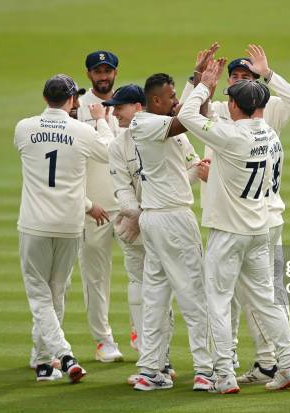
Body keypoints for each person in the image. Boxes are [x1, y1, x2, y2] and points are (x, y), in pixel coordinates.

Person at [178, 60, 290, 393]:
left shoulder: (232, 135)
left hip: (229, 232)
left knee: (218, 302)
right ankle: (289, 364)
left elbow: (187, 117)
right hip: (259, 229)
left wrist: (205, 84)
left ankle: (223, 374)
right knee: (266, 300)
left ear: (235, 105)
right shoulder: (272, 137)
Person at [15, 74, 112, 382]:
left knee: (41, 295)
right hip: (70, 224)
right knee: (56, 293)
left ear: (45, 98)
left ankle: (64, 355)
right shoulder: (82, 131)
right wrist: (101, 122)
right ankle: (43, 361)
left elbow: (46, 175)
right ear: (73, 101)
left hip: (35, 224)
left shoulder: (24, 128)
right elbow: (110, 154)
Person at [126, 73, 214, 392]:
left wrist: (196, 79)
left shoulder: (163, 122)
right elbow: (184, 119)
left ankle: (150, 370)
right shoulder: (143, 123)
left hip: (156, 220)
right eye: (171, 96)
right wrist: (204, 87)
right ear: (155, 101)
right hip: (172, 220)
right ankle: (205, 370)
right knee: (194, 294)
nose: (176, 99)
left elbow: (180, 116)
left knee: (156, 297)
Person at [104, 84, 188, 384]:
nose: (114, 112)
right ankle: (154, 361)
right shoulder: (117, 145)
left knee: (170, 292)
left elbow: (188, 170)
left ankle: (169, 363)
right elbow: (121, 190)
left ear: (138, 106)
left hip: (163, 225)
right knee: (142, 293)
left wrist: (149, 215)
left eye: (120, 107)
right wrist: (138, 216)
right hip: (134, 229)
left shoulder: (167, 132)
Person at [76, 50, 124, 363]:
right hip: (93, 208)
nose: (103, 76)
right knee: (95, 277)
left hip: (126, 205)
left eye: (108, 70)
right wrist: (84, 203)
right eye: (98, 71)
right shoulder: (74, 107)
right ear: (89, 74)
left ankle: (143, 337)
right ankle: (104, 340)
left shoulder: (128, 104)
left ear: (116, 73)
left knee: (145, 273)